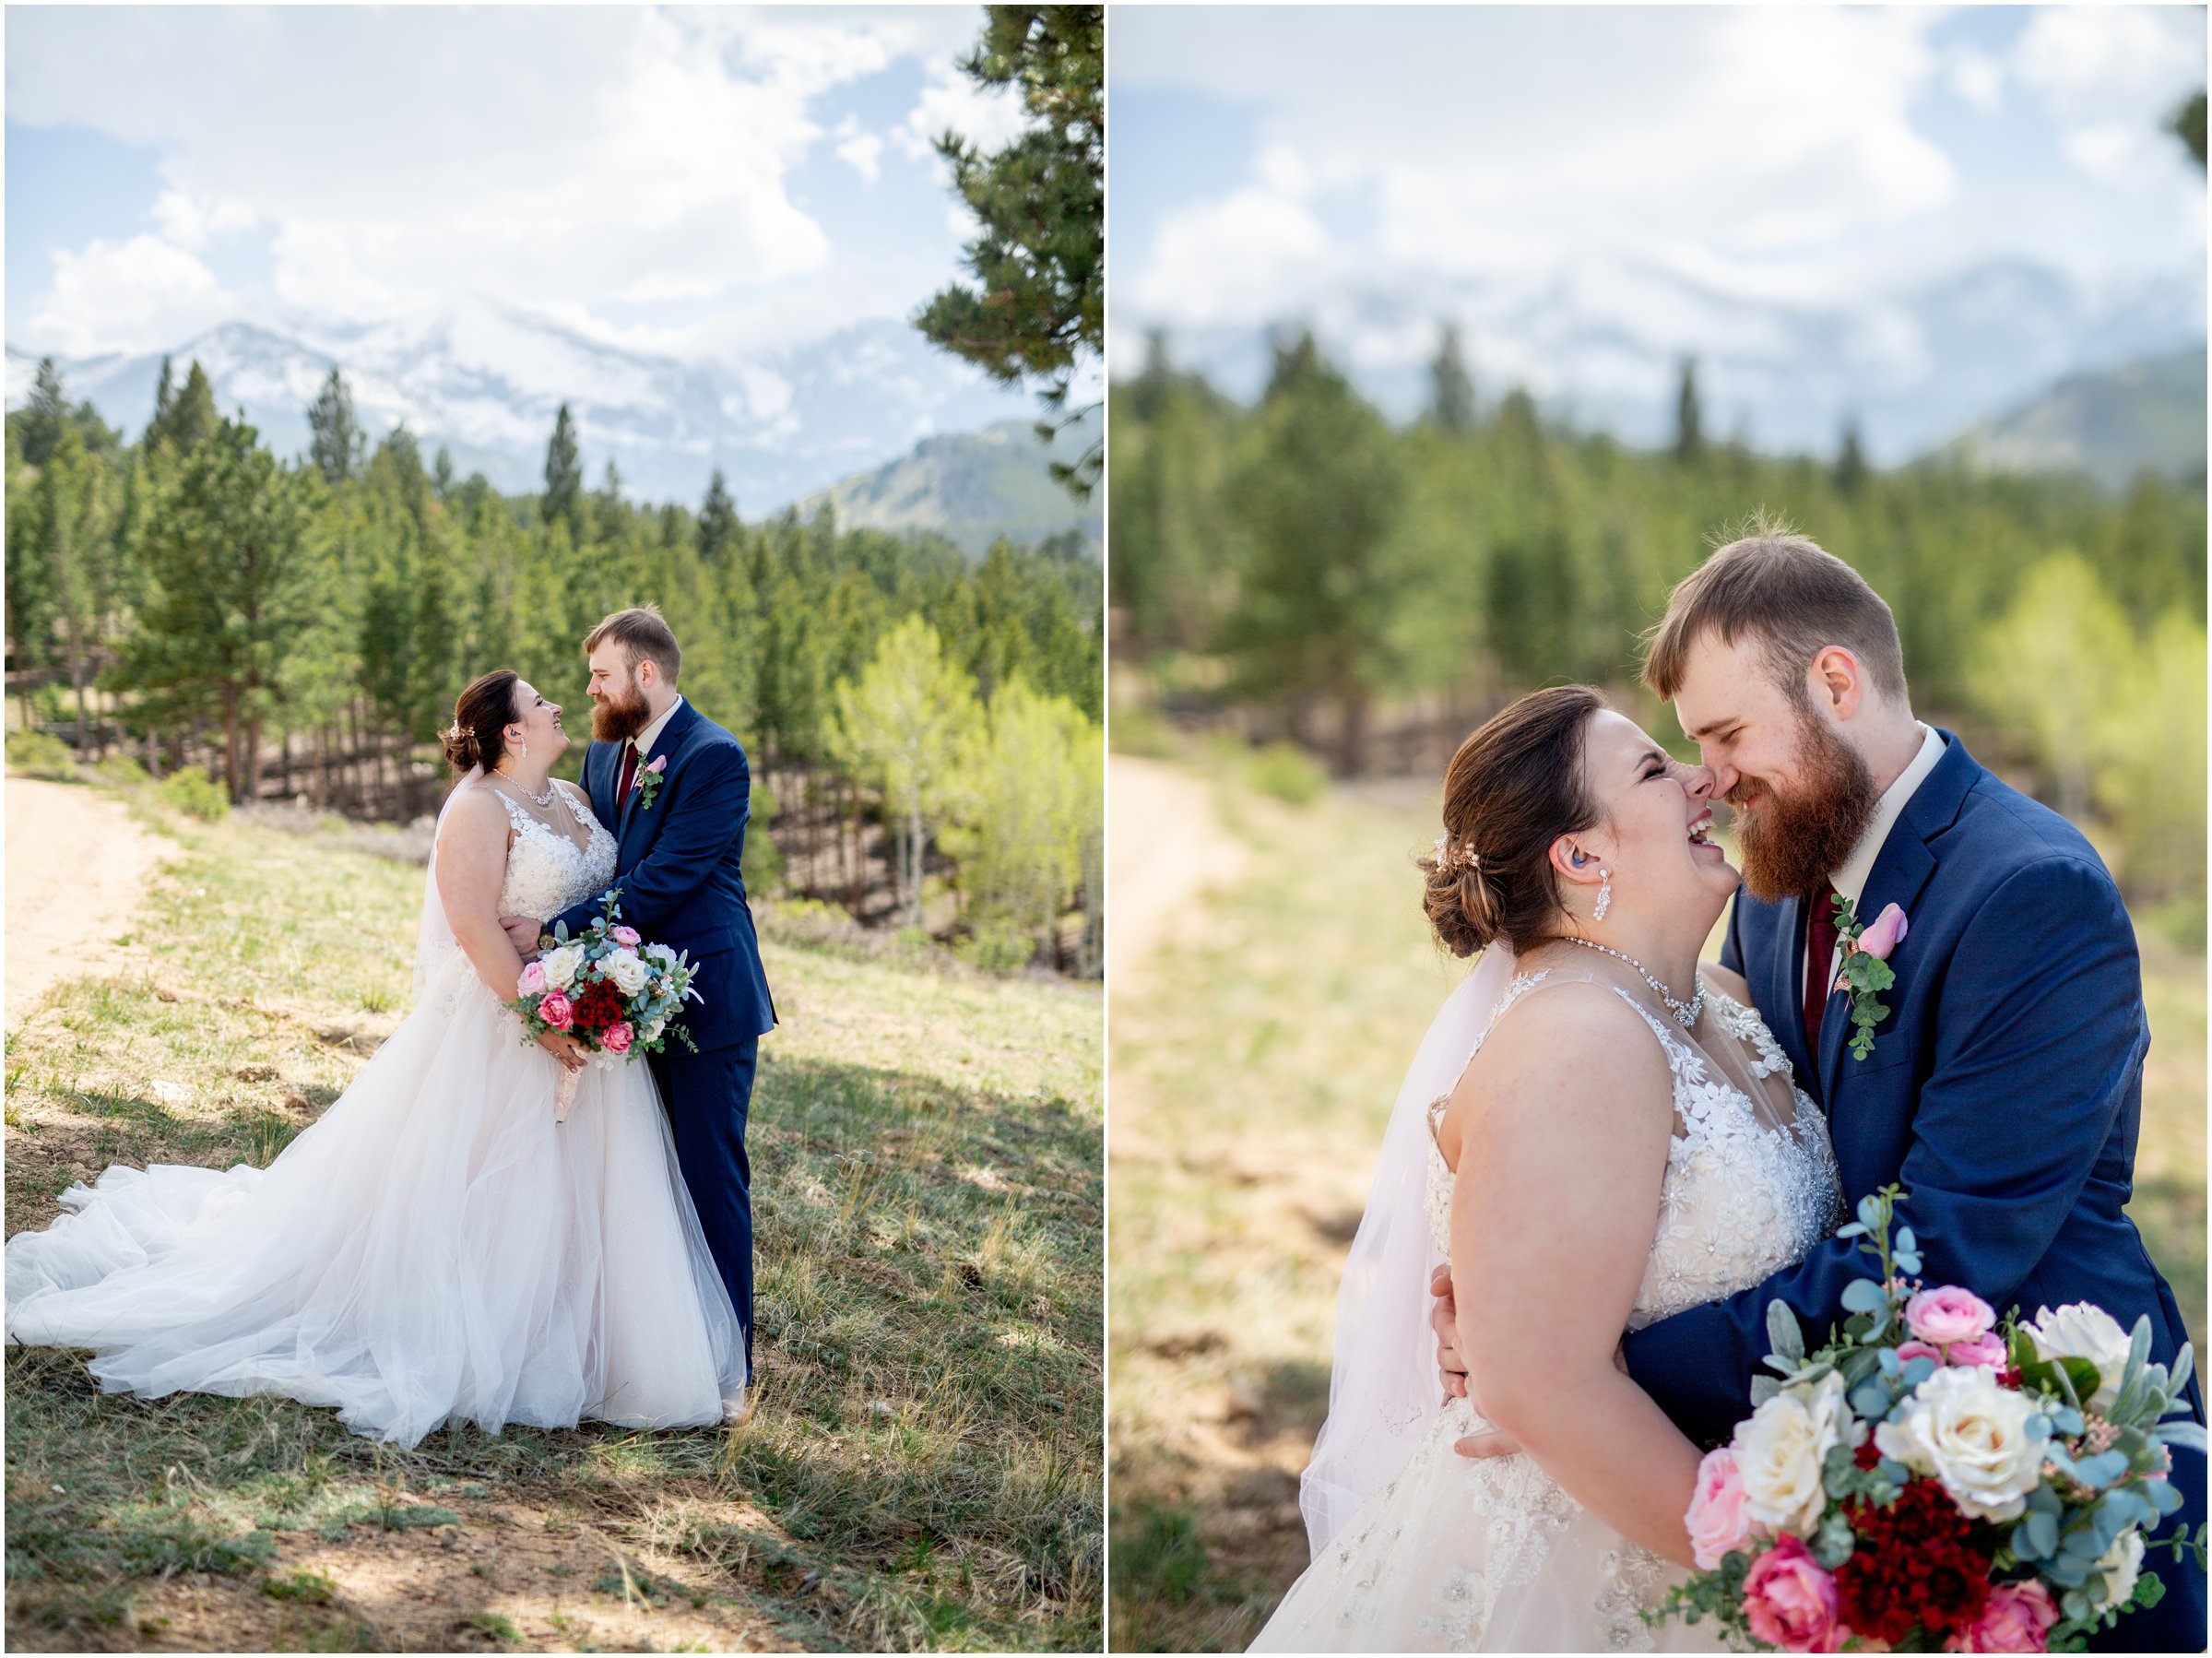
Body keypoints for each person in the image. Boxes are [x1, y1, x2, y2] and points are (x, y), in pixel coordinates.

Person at [1431, 524, 2206, 1652]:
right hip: (1839, 1458)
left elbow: (1946, 1244)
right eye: (1687, 746)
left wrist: (1574, 1364)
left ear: (1834, 682)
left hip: (2048, 1446)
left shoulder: (2030, 891)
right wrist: (1514, 1301)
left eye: (1727, 733)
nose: (1710, 776)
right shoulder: (1773, 883)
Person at [6, 669, 747, 1446]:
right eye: (539, 702)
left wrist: (593, 997)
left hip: (590, 1038)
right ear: (512, 731)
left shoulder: (574, 797)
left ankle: (587, 1334)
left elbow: (602, 896)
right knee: (492, 1183)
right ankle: (481, 1328)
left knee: (595, 1191)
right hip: (507, 1029)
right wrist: (544, 1018)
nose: (560, 704)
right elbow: (474, 930)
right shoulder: (475, 808)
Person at [1252, 683, 1843, 1651]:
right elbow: (1537, 1384)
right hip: (1607, 1573)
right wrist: (1789, 1583)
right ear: (1579, 854)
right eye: (1655, 769)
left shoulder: (1721, 1000)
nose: (1701, 778)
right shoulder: (1578, 1037)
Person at [502, 605, 775, 1390]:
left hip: (706, 994)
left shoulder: (714, 756)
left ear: (644, 675)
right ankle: (641, 1350)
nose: (588, 690)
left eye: (601, 676)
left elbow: (664, 880)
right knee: (639, 1176)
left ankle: (728, 1372)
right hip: (619, 1000)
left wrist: (553, 931)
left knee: (707, 1174)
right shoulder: (603, 754)